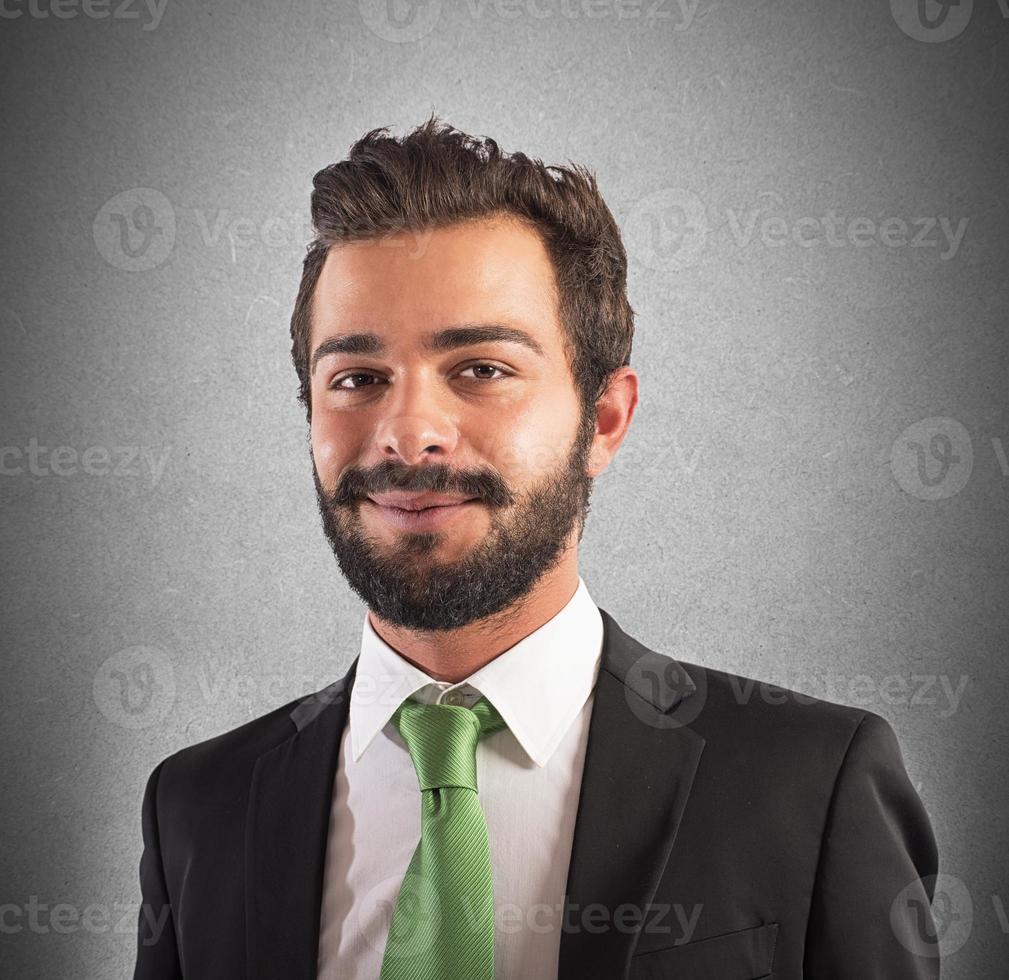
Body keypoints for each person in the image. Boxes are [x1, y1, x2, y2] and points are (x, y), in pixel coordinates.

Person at [133, 116, 939, 979]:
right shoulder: (196, 806)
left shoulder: (812, 783)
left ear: (604, 419)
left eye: (480, 368)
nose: (408, 436)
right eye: (357, 380)